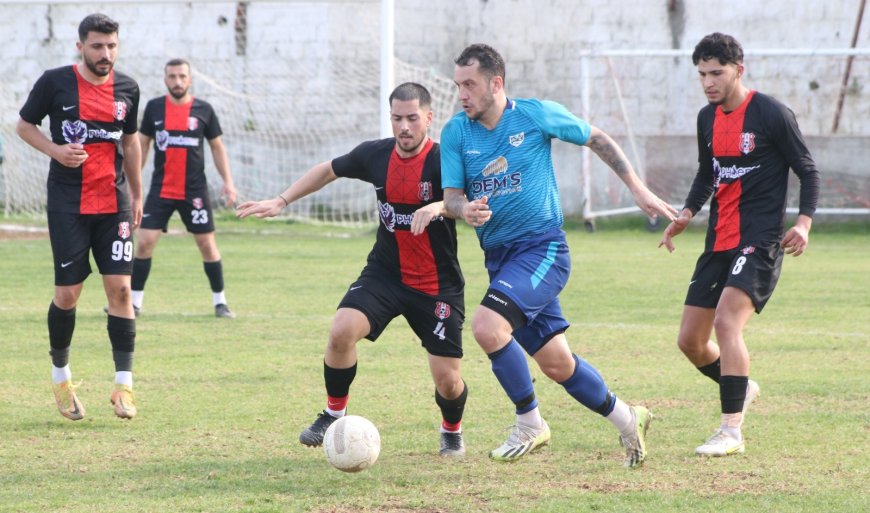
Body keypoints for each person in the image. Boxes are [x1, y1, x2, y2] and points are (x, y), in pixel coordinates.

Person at [441, 44, 678, 467]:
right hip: (499, 257)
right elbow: (453, 199)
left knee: (487, 327)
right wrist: (464, 210)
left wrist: (637, 189)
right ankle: (629, 419)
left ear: (496, 83)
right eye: (458, 85)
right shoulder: (457, 132)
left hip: (542, 249)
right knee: (557, 364)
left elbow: (597, 138)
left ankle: (530, 422)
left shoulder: (534, 115)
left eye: (470, 85)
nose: (462, 94)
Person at [236, 82, 469, 457]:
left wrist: (440, 206)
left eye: (412, 118)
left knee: (448, 381)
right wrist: (281, 200)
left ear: (429, 117)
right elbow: (328, 170)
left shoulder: (446, 161)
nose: (404, 127)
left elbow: (467, 203)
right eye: (397, 118)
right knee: (341, 330)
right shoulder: (375, 155)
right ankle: (333, 413)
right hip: (385, 274)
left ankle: (451, 430)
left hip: (436, 284)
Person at [659, 33, 820, 457]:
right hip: (719, 241)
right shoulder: (706, 118)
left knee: (727, 323)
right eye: (702, 74)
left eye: (717, 72)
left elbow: (808, 170)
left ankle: (731, 430)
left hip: (760, 239)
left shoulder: (770, 114)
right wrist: (687, 214)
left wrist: (803, 223)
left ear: (738, 70)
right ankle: (742, 386)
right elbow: (706, 173)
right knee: (690, 341)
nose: (709, 82)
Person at [16, 13, 142, 420]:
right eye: (97, 46)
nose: (105, 54)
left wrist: (137, 193)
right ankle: (61, 378)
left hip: (115, 203)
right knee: (69, 294)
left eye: (111, 46)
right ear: (80, 46)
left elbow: (131, 142)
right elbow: (24, 125)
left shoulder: (128, 88)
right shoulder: (55, 82)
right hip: (69, 204)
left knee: (121, 291)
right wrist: (55, 151)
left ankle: (124, 387)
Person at [134, 58, 237, 318]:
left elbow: (217, 147)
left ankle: (220, 303)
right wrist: (132, 179)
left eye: (182, 76)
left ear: (190, 80)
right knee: (145, 242)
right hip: (161, 190)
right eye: (172, 76)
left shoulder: (204, 110)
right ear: (165, 79)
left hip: (194, 192)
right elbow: (142, 145)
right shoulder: (154, 108)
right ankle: (133, 303)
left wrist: (229, 182)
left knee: (206, 244)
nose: (177, 81)